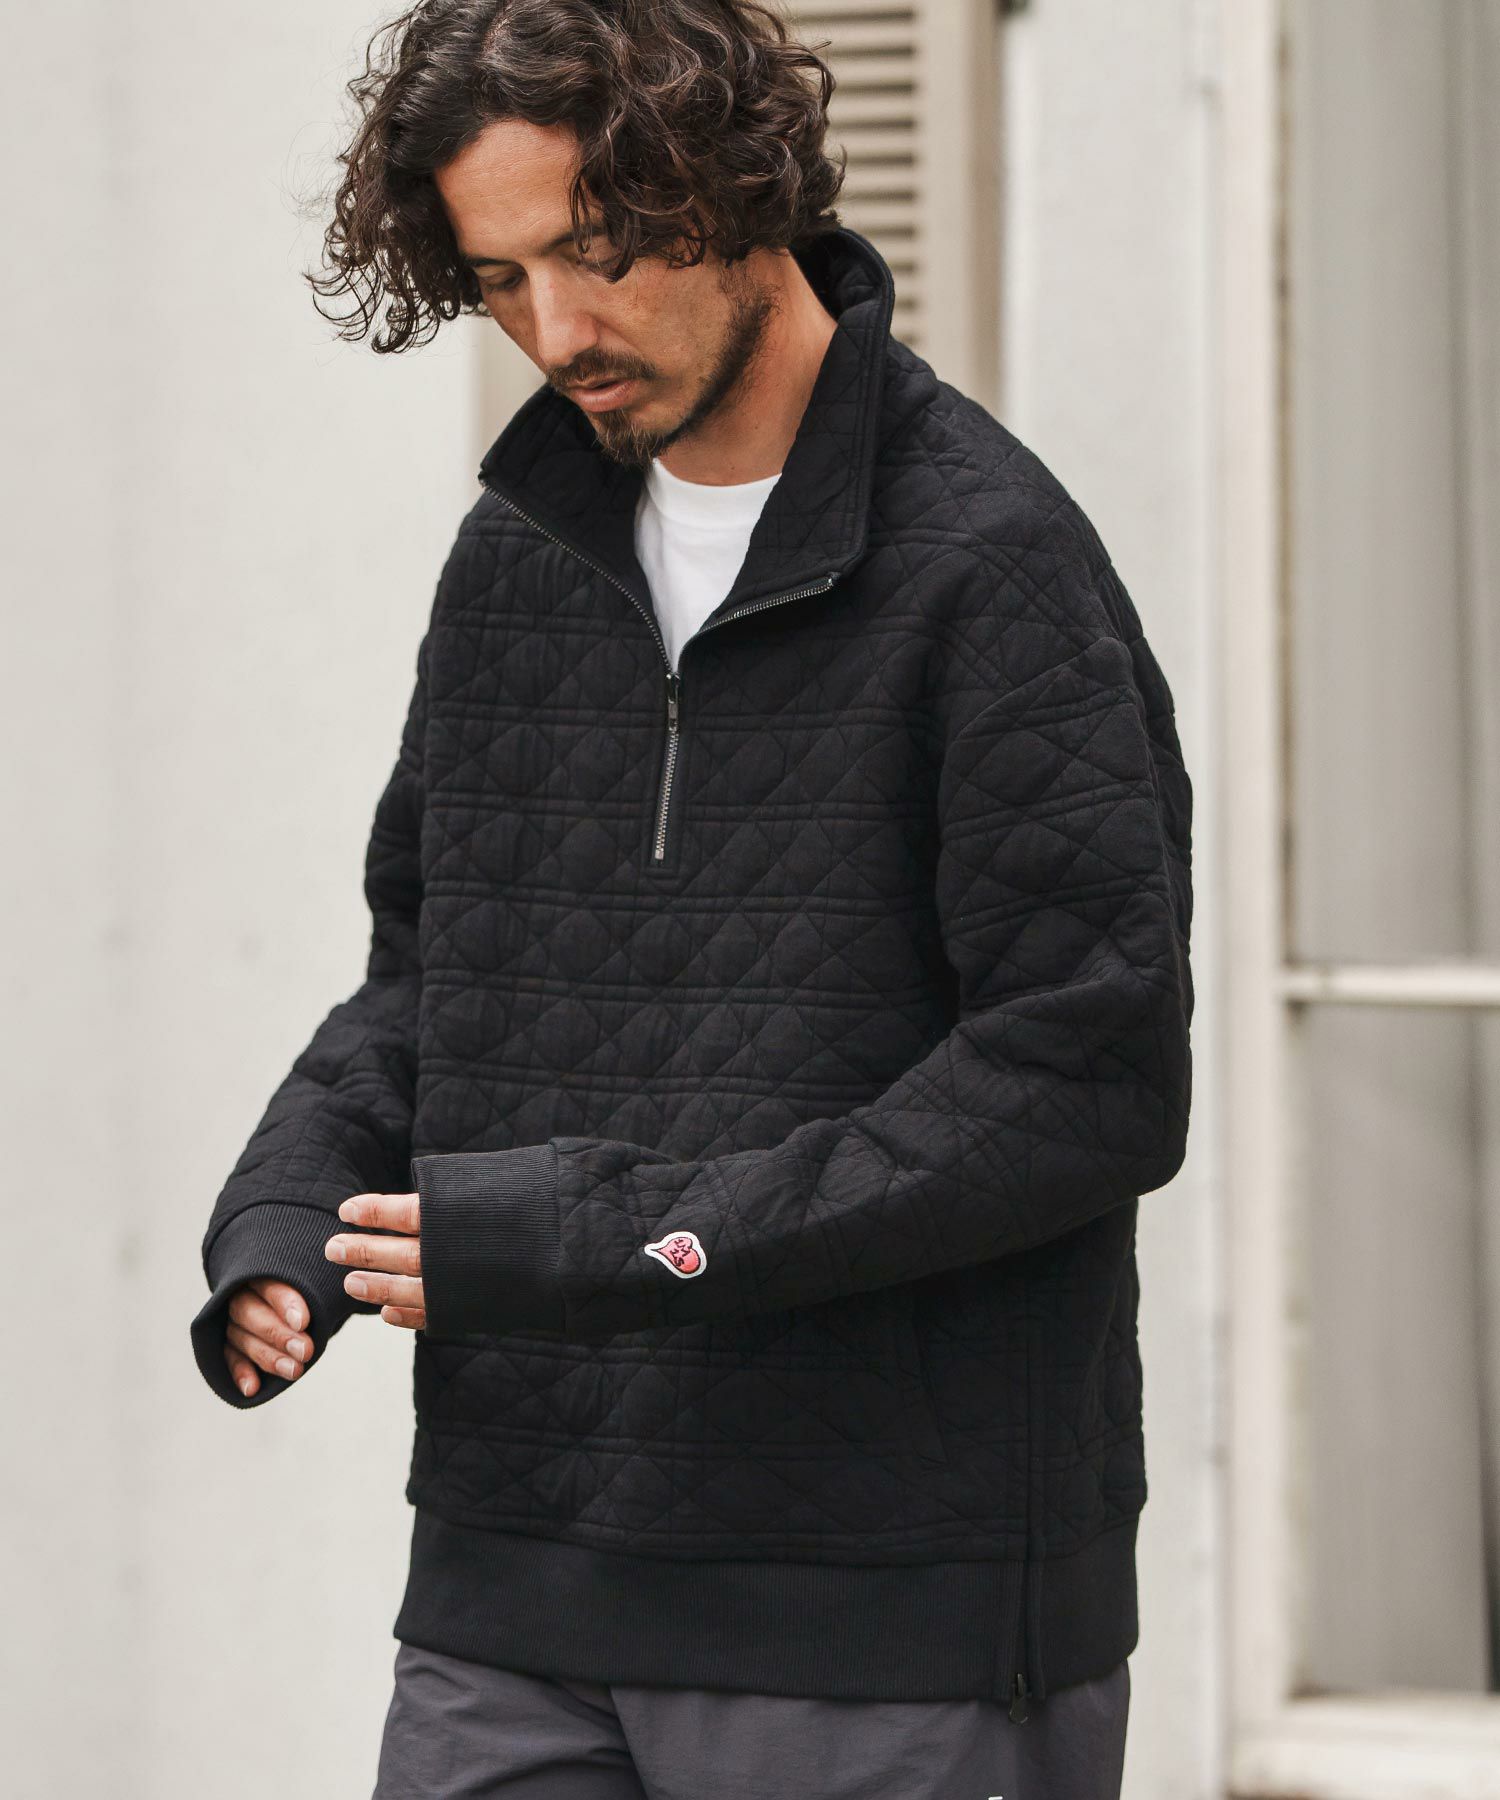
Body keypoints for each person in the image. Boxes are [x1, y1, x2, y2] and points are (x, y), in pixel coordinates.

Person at [188, 2, 1194, 1795]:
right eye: (499, 281)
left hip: (886, 1622)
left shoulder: (991, 565)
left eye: (596, 253)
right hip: (512, 1598)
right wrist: (294, 1202)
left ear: (731, 189)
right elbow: (432, 976)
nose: (555, 332)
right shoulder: (518, 557)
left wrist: (636, 1242)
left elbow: (1084, 1078)